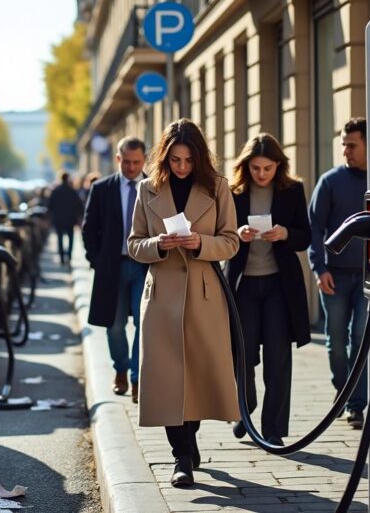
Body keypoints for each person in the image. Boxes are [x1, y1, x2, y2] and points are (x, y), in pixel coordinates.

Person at [127, 119, 240, 488]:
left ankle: (189, 442)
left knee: (199, 376)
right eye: (175, 159)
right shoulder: (147, 189)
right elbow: (134, 245)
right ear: (165, 156)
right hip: (161, 296)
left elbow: (231, 241)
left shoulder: (218, 187)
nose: (181, 167)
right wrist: (159, 244)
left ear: (199, 158)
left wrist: (200, 244)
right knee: (167, 378)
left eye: (188, 160)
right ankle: (181, 456)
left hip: (204, 295)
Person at [225, 133, 311, 446]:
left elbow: (305, 236)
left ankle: (273, 428)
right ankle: (245, 410)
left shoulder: (292, 190)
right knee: (242, 354)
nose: (261, 174)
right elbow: (221, 235)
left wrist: (285, 232)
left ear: (279, 166)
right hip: (243, 283)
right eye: (256, 168)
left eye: (268, 168)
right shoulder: (232, 192)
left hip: (279, 284)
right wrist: (238, 234)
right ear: (245, 166)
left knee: (278, 357)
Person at [308, 117, 368, 429]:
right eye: (343, 145)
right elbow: (315, 227)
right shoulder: (330, 182)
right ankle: (344, 392)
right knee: (335, 341)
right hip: (334, 276)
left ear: (369, 144)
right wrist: (319, 269)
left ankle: (356, 403)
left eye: (352, 145)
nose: (346, 151)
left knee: (359, 337)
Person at [81, 137, 147, 401]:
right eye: (127, 162)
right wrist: (97, 260)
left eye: (137, 162)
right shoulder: (102, 189)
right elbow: (88, 228)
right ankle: (120, 369)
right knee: (115, 325)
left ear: (144, 160)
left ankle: (137, 379)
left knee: (145, 324)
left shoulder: (155, 187)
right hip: (112, 267)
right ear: (118, 159)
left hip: (145, 267)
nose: (131, 168)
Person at [48, 171, 84, 266]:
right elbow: (79, 206)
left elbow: (50, 206)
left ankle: (61, 257)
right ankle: (69, 256)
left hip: (58, 219)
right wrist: (78, 217)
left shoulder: (55, 191)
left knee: (59, 238)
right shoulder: (72, 191)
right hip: (70, 219)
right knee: (70, 238)